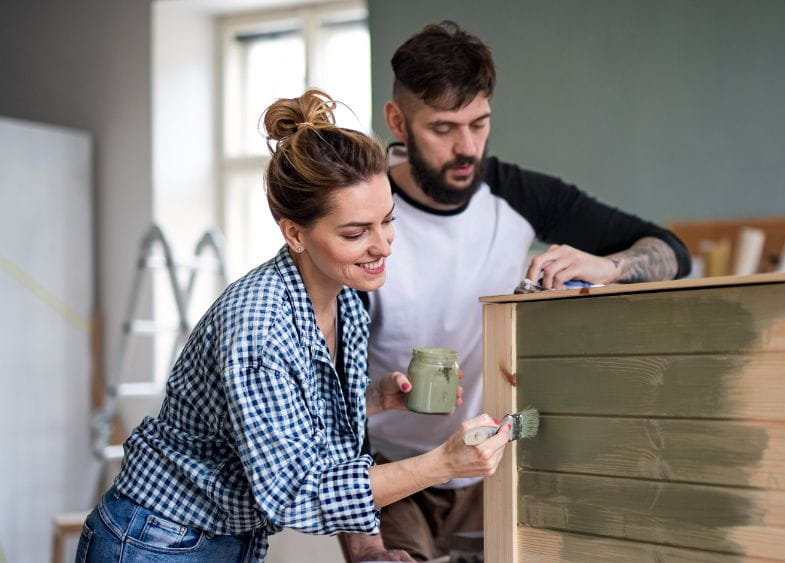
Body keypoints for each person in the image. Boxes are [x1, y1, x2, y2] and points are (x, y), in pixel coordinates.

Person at [74, 88, 511, 563]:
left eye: (387, 221)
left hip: (227, 539)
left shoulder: (345, 298)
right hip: (156, 540)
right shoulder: (258, 325)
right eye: (355, 232)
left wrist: (372, 400)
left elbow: (303, 426)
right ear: (295, 233)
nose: (383, 246)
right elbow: (296, 493)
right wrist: (443, 464)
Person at [343, 21, 692, 562]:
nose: (466, 148)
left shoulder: (519, 195)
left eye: (479, 124)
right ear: (397, 122)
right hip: (393, 478)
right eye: (443, 129)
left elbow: (672, 251)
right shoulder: (365, 219)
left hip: (493, 470)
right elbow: (329, 394)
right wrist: (363, 543)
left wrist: (609, 266)